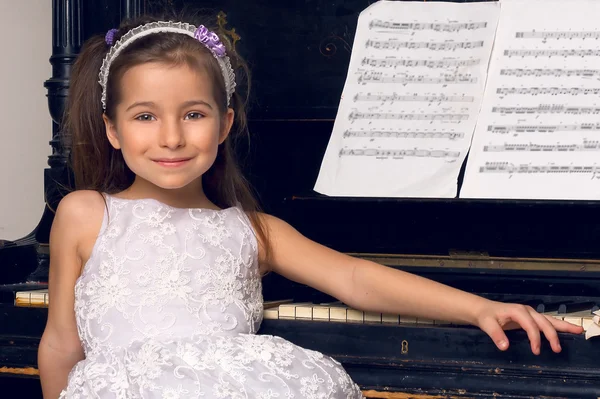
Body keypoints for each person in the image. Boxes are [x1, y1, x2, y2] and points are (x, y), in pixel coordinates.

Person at [37, 13, 584, 399]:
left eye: (194, 114)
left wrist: (479, 308)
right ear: (111, 129)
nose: (173, 138)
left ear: (225, 123)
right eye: (145, 116)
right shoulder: (86, 213)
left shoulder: (255, 230)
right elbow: (62, 341)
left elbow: (355, 277)